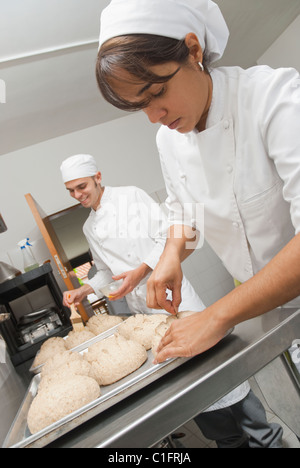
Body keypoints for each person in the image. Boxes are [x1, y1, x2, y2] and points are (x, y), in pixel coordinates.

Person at [93, 0, 300, 447]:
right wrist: (169, 258)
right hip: (271, 318)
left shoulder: (275, 98)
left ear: (193, 50)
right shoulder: (170, 140)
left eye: (156, 94)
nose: (154, 116)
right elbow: (185, 214)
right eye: (138, 107)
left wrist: (217, 315)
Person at [60, 153, 282, 448]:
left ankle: (264, 438)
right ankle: (229, 443)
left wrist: (140, 272)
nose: (77, 195)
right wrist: (83, 290)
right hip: (145, 318)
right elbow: (105, 272)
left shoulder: (131, 197)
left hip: (174, 300)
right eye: (71, 191)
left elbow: (169, 240)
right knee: (187, 382)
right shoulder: (89, 228)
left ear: (98, 177)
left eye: (81, 186)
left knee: (215, 368)